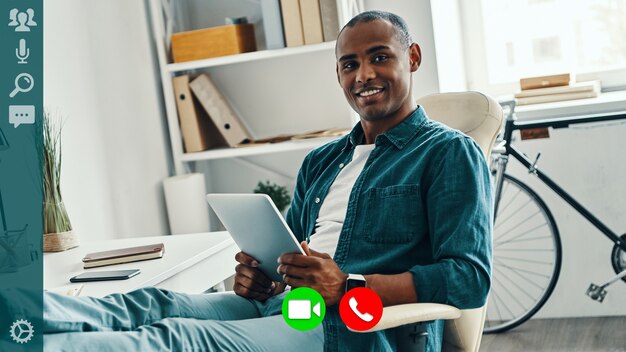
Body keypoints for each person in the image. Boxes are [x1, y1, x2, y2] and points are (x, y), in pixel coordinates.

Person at [34, 10, 491, 352]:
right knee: (147, 305)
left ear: (411, 57)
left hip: (354, 325)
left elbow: (469, 278)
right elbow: (289, 253)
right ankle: (21, 318)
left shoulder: (448, 152)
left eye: (379, 57)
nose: (364, 75)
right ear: (338, 74)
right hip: (289, 306)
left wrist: (349, 285)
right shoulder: (323, 160)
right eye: (349, 64)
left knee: (174, 338)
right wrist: (266, 278)